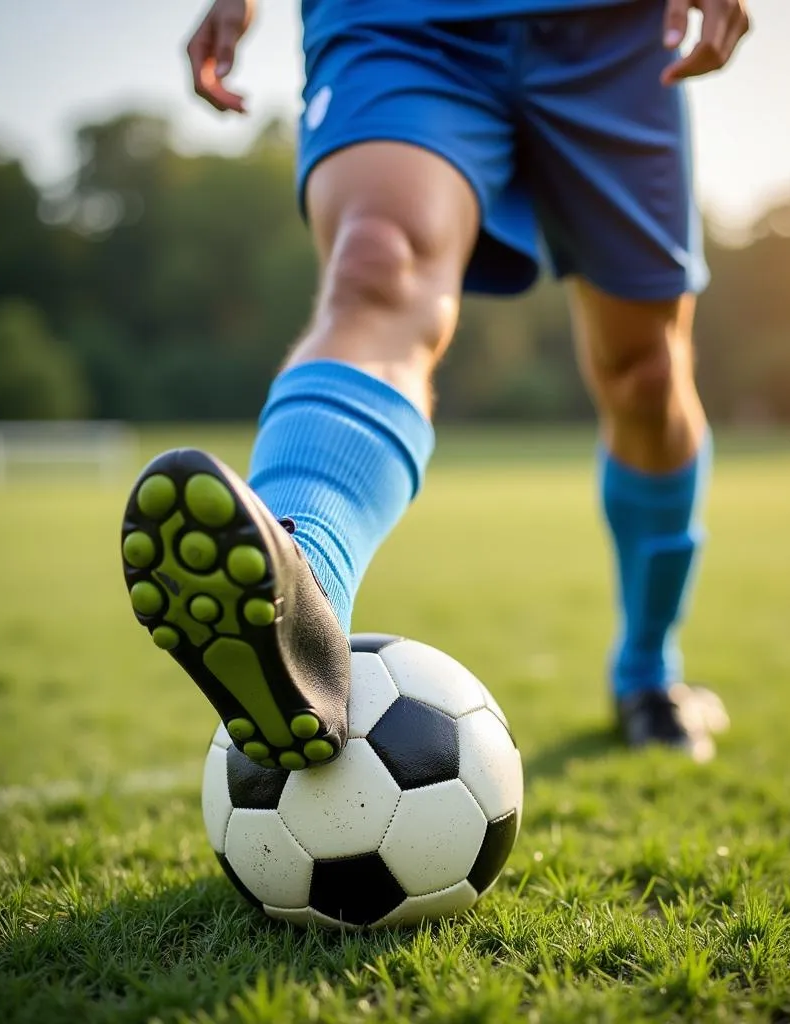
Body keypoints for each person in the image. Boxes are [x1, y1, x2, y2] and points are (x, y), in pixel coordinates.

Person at [120, 0, 750, 771]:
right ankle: (297, 588)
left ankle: (648, 675)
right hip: (399, 19)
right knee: (377, 270)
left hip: (613, 30)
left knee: (647, 372)